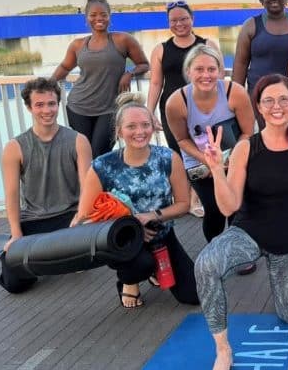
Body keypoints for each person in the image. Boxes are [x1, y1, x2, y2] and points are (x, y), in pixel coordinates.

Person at [194, 74, 288, 370]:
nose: (277, 106)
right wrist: (217, 169)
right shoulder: (246, 148)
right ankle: (222, 349)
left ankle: (285, 277)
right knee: (206, 265)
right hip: (250, 232)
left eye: (284, 99)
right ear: (258, 106)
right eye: (268, 100)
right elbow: (229, 205)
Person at [74, 92, 198, 308]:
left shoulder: (169, 158)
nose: (139, 132)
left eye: (145, 125)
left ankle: (153, 270)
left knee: (193, 295)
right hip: (121, 240)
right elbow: (86, 216)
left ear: (153, 127)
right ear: (119, 131)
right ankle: (128, 282)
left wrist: (152, 216)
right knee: (140, 264)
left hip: (161, 234)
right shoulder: (102, 166)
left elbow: (183, 205)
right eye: (131, 126)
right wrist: (131, 227)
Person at [0, 78, 92, 294]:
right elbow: (12, 195)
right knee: (14, 283)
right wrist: (15, 234)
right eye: (39, 105)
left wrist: (81, 220)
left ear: (58, 104)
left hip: (69, 219)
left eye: (51, 103)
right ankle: (49, 258)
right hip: (33, 220)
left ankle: (52, 257)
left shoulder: (78, 140)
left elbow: (87, 188)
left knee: (87, 255)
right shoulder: (15, 147)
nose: (47, 110)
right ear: (29, 107)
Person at [165, 45, 255, 242]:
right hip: (200, 162)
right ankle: (214, 250)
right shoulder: (176, 102)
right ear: (188, 71)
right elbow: (181, 139)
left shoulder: (235, 92)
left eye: (211, 69)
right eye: (199, 69)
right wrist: (208, 160)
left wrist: (233, 157)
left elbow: (248, 132)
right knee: (214, 211)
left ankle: (237, 251)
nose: (206, 75)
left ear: (220, 71)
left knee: (236, 206)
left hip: (233, 158)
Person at [51, 0, 149, 158]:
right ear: (86, 18)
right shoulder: (78, 44)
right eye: (93, 15)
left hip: (110, 108)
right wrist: (46, 86)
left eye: (104, 15)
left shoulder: (122, 39)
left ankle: (100, 184)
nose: (99, 19)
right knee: (85, 154)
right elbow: (64, 66)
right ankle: (87, 185)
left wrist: (129, 73)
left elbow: (144, 64)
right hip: (79, 106)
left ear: (110, 17)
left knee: (101, 154)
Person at [146, 0, 220, 218]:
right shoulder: (161, 49)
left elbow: (218, 78)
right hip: (172, 110)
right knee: (178, 154)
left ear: (192, 19)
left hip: (202, 108)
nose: (179, 23)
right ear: (169, 23)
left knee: (201, 152)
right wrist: (149, 112)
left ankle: (197, 197)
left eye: (184, 19)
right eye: (174, 20)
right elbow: (156, 83)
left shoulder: (206, 45)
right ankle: (186, 198)